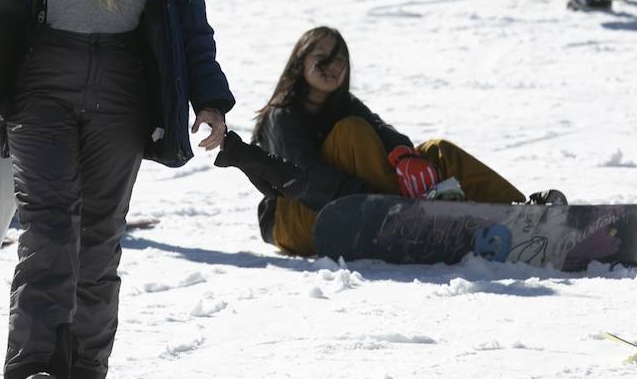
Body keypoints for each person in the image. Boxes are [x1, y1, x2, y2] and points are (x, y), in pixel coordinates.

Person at [1, 0, 234, 379]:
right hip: (44, 85)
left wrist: (210, 99)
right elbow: (9, 7)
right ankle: (36, 371)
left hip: (124, 94)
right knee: (50, 226)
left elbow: (190, 20)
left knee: (99, 235)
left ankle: (82, 373)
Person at [215, 26, 534, 256]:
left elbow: (386, 132)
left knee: (436, 151)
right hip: (296, 217)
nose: (332, 65)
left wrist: (405, 158)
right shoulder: (281, 116)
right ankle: (412, 216)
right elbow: (308, 181)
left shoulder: (344, 105)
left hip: (355, 211)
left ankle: (528, 219)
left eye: (340, 59)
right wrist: (383, 201)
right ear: (300, 62)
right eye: (322, 56)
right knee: (352, 132)